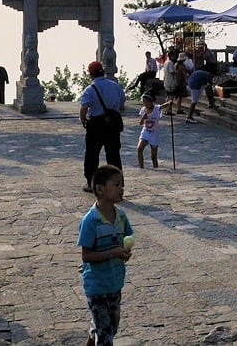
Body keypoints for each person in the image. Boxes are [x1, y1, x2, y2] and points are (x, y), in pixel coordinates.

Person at [77, 164, 133, 346]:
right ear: (100, 189)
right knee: (105, 333)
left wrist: (125, 252)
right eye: (116, 185)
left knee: (110, 326)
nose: (121, 189)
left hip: (115, 282)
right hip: (97, 285)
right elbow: (86, 256)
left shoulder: (121, 217)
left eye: (122, 184)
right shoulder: (90, 221)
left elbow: (127, 237)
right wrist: (113, 253)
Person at [79, 61, 126, 192]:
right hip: (112, 124)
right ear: (103, 72)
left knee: (92, 156)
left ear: (91, 74)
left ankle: (91, 183)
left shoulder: (90, 89)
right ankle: (118, 184)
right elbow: (122, 101)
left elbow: (84, 107)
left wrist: (83, 120)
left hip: (96, 125)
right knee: (114, 155)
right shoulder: (115, 86)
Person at [136, 92, 161, 168]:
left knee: (153, 156)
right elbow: (140, 123)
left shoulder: (157, 108)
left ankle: (156, 169)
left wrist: (169, 103)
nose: (145, 103)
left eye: (146, 101)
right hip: (145, 131)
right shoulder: (143, 110)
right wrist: (144, 117)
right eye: (143, 101)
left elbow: (164, 106)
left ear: (151, 101)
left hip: (154, 133)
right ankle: (141, 167)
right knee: (139, 149)